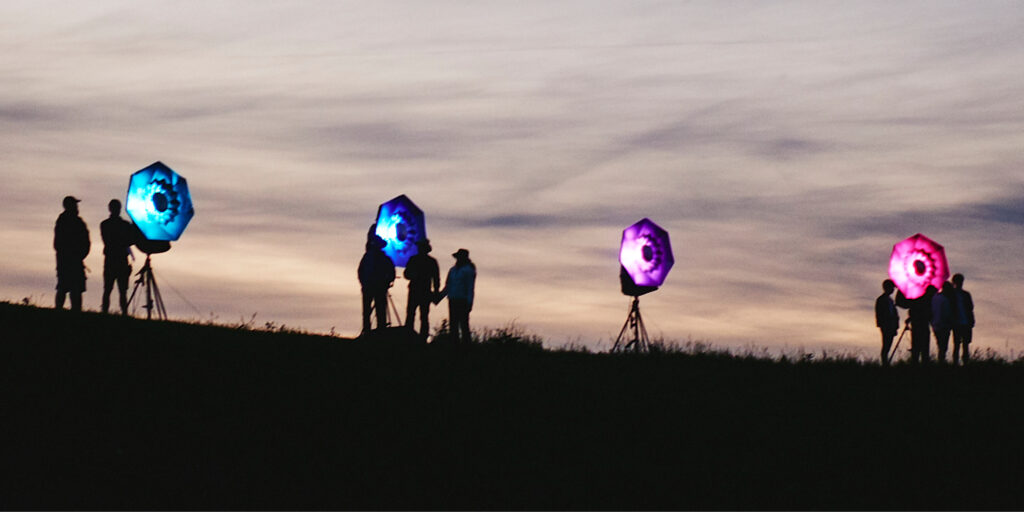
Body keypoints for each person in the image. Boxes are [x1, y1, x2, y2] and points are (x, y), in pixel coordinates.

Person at [53, 195, 91, 311]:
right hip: (68, 261)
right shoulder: (70, 222)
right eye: (75, 204)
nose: (77, 207)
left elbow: (86, 242)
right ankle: (67, 312)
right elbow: (58, 244)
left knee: (69, 288)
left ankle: (67, 312)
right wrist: (77, 255)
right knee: (67, 288)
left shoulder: (64, 221)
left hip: (70, 261)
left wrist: (79, 255)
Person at [100, 199, 135, 315]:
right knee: (121, 291)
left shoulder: (105, 225)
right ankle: (124, 313)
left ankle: (106, 312)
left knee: (109, 290)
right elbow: (131, 240)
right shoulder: (125, 225)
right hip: (120, 260)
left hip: (111, 260)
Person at [357, 234, 395, 334]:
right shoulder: (369, 257)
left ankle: (379, 331)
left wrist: (387, 282)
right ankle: (369, 332)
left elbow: (391, 273)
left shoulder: (382, 258)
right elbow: (360, 271)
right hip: (370, 287)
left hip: (377, 288)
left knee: (379, 311)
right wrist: (364, 283)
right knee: (369, 311)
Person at [404, 238, 440, 341]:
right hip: (417, 290)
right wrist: (411, 275)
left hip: (423, 291)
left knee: (422, 315)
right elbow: (406, 274)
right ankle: (409, 335)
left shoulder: (430, 261)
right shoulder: (416, 260)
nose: (420, 249)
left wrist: (436, 292)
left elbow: (436, 279)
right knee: (412, 314)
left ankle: (421, 337)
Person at [439, 248, 476, 345]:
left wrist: (469, 303)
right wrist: (439, 297)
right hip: (453, 299)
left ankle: (465, 346)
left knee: (463, 325)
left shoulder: (468, 270)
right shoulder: (452, 270)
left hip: (462, 300)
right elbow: (448, 286)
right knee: (453, 324)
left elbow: (470, 288)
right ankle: (455, 345)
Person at [895, 285, 936, 364]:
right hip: (920, 320)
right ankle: (921, 364)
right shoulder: (924, 291)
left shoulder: (915, 290)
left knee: (918, 346)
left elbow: (902, 302)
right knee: (922, 347)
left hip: (918, 320)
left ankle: (916, 364)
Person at [951, 273, 975, 365]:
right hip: (957, 323)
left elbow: (970, 308)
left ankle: (965, 362)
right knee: (957, 344)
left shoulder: (965, 294)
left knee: (965, 344)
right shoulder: (951, 295)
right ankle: (956, 363)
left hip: (965, 322)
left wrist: (971, 321)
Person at [874, 279, 900, 366]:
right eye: (892, 288)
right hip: (886, 326)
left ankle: (885, 362)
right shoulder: (881, 300)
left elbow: (894, 314)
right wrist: (882, 325)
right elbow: (879, 314)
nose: (893, 290)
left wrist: (895, 326)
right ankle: (884, 363)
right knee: (886, 345)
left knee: (888, 344)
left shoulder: (890, 301)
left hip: (891, 325)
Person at [931, 282, 954, 363]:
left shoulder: (934, 297)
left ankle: (941, 361)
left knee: (940, 345)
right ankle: (941, 361)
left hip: (935, 325)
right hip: (943, 325)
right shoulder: (945, 299)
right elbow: (946, 313)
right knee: (943, 346)